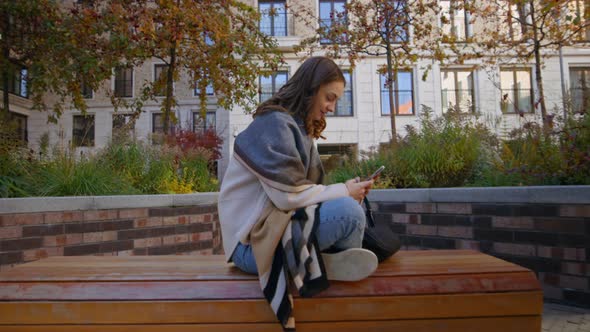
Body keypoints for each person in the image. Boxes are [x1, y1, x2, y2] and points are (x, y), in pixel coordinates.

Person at [217, 56, 378, 329]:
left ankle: (328, 265)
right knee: (350, 213)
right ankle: (329, 271)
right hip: (251, 246)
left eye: (336, 100)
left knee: (351, 208)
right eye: (329, 97)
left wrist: (346, 190)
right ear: (311, 89)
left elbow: (306, 191)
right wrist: (343, 192)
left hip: (275, 227)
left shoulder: (297, 128)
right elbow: (287, 196)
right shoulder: (274, 125)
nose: (331, 107)